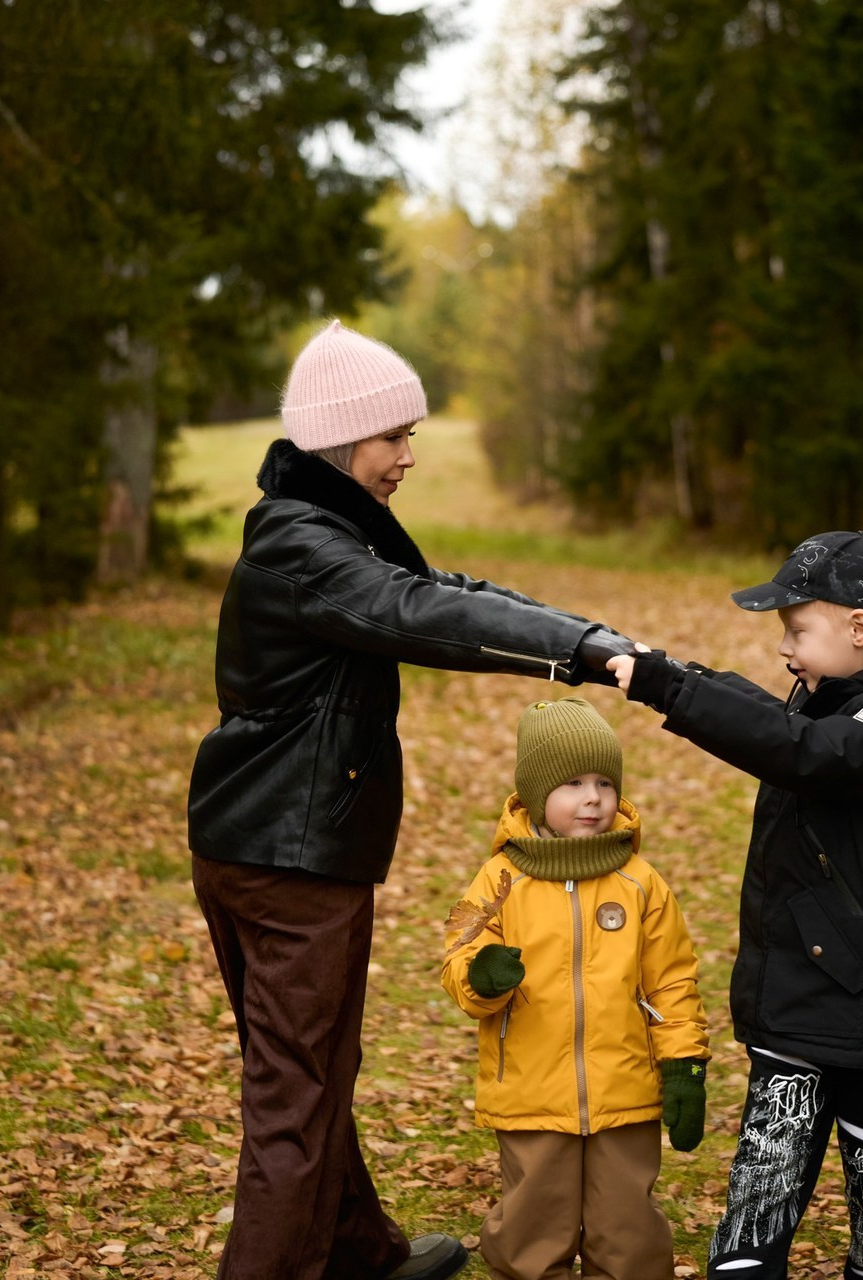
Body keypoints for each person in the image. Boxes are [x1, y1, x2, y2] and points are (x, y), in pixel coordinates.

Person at [186, 320, 635, 1280]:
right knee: (295, 1096)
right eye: (393, 437)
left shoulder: (322, 531)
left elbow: (439, 587)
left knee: (307, 1077)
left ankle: (358, 1253)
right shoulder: (303, 545)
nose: (407, 458)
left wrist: (584, 638)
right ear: (341, 439)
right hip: (287, 861)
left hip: (263, 843)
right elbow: (415, 614)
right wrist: (585, 649)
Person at [607, 532, 863, 1280]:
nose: (784, 648)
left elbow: (810, 753)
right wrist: (675, 674)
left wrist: (673, 688)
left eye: (796, 629)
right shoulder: (831, 695)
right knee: (758, 1205)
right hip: (800, 996)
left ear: (858, 627)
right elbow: (782, 734)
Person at [441, 697, 710, 1280]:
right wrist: (483, 976)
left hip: (625, 1089)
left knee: (627, 1224)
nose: (593, 797)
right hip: (531, 1090)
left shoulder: (640, 883)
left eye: (604, 782)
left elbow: (671, 981)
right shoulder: (500, 879)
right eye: (572, 783)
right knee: (533, 1223)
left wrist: (684, 1062)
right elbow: (459, 960)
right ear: (537, 795)